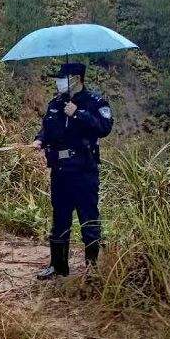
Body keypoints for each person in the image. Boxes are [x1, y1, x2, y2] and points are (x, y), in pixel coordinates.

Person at [33, 63, 113, 279]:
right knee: (59, 218)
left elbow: (104, 128)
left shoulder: (95, 102)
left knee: (88, 218)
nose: (59, 82)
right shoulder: (56, 103)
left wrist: (78, 114)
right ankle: (58, 266)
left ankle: (92, 269)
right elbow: (47, 128)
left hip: (84, 171)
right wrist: (40, 139)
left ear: (77, 78)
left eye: (63, 78)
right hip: (60, 171)